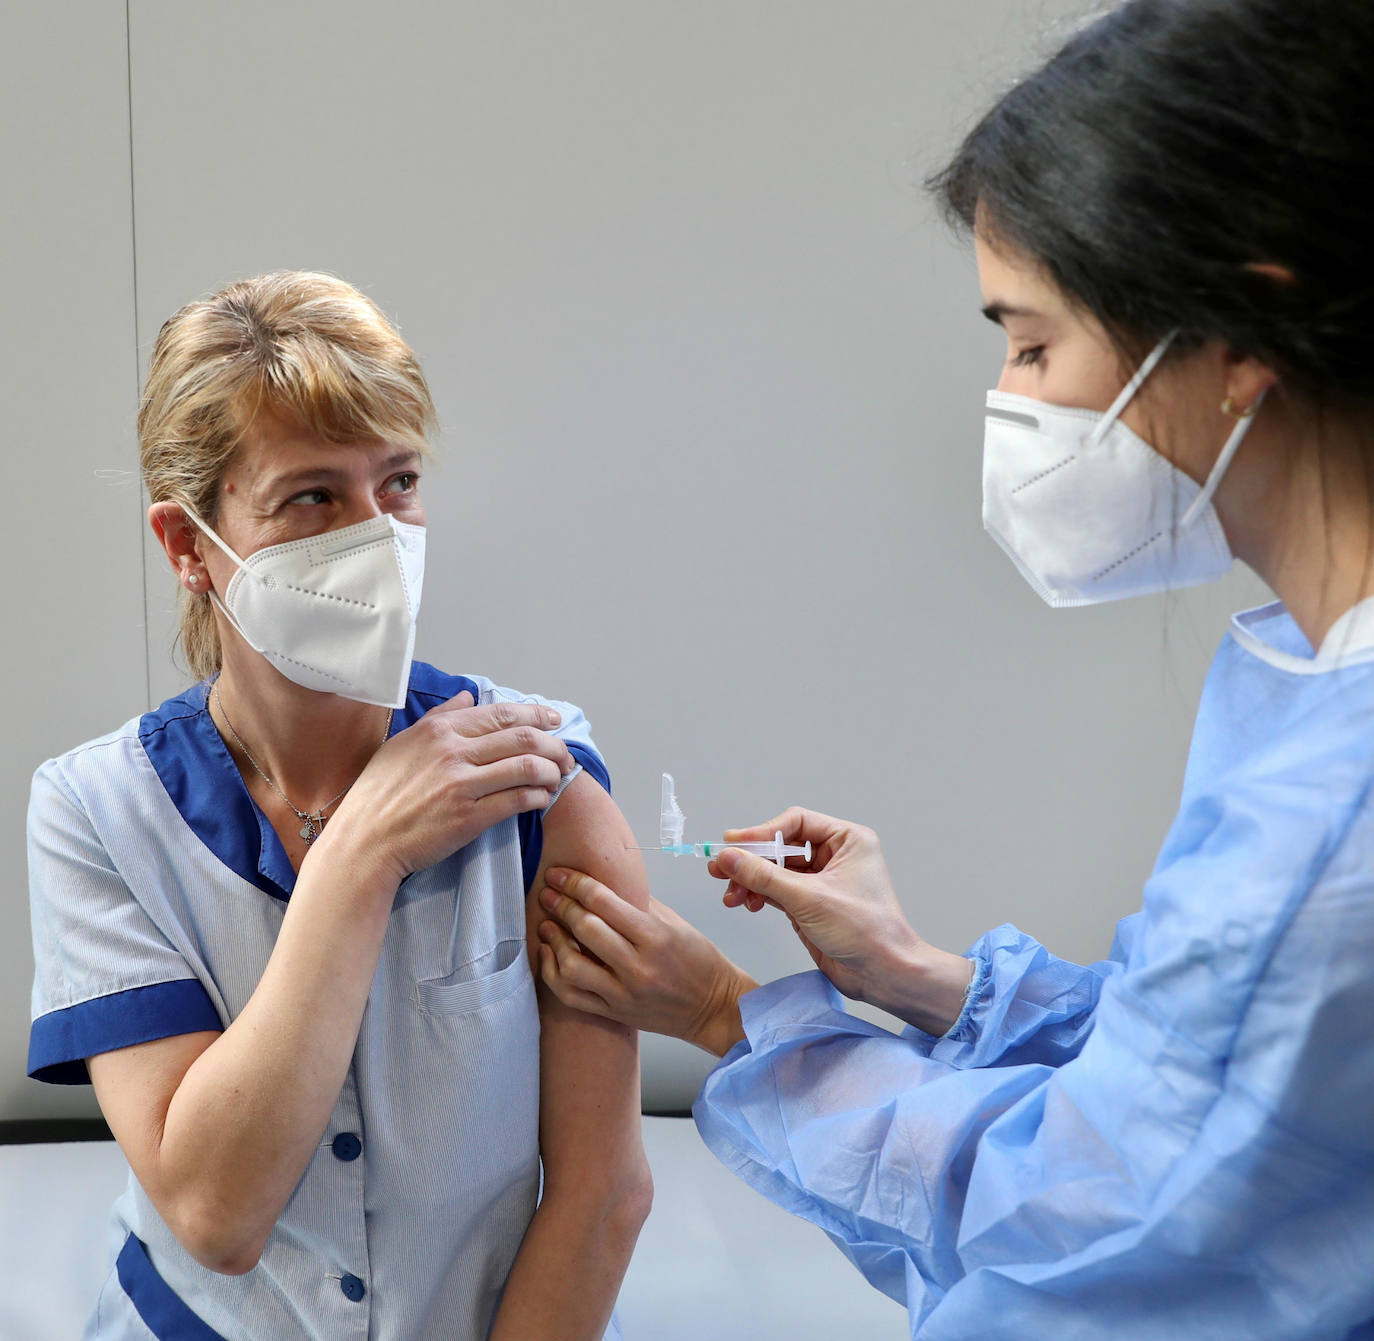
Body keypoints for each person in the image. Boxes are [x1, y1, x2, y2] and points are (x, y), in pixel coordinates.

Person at [533, 2, 1374, 1336]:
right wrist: (917, 972)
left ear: (1236, 342)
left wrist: (737, 1018)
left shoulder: (1336, 809)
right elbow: (1233, 1077)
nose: (1013, 399)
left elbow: (1061, 1205)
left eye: (1032, 342)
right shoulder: (1300, 679)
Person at [26, 271, 652, 1341]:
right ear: (188, 549)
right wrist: (361, 855)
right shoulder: (95, 812)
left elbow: (602, 1195)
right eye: (313, 496)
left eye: (398, 483)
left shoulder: (542, 780)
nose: (376, 536)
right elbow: (216, 1214)